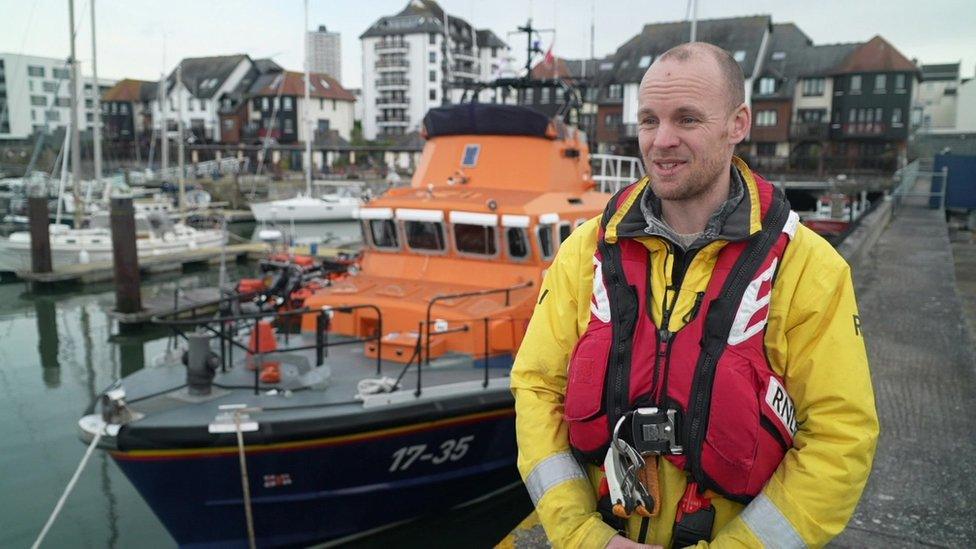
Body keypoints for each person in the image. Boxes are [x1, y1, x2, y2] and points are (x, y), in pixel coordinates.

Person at [511, 42, 879, 548]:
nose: (662, 141)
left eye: (686, 119)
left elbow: (842, 436)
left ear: (738, 124)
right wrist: (582, 535)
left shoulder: (810, 270)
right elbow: (536, 387)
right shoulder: (586, 253)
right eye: (648, 120)